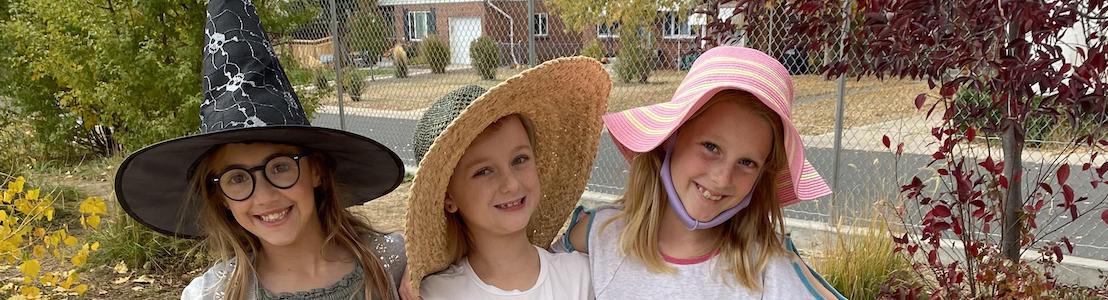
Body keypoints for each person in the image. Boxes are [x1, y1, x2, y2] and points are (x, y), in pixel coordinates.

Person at [113, 0, 406, 298]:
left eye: (279, 167)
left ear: (316, 170)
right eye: (237, 178)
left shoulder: (393, 265)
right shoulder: (212, 294)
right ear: (220, 196)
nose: (264, 196)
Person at [555, 46, 846, 299]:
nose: (722, 178)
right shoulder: (598, 235)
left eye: (747, 163)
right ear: (671, 138)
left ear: (762, 177)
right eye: (710, 146)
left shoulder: (767, 266)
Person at [403, 57, 610, 299]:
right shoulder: (436, 293)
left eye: (519, 160)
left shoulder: (582, 279)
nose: (511, 184)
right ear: (448, 197)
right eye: (483, 171)